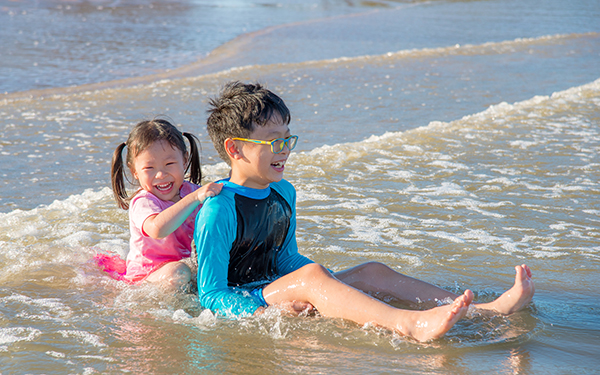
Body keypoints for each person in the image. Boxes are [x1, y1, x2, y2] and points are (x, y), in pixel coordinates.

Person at [194, 82, 534, 342]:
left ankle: (480, 310)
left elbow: (285, 260)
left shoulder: (283, 191)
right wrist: (268, 308)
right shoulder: (219, 209)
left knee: (372, 272)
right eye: (273, 141)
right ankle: (409, 324)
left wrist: (319, 279)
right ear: (235, 148)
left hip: (280, 288)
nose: (284, 150)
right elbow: (211, 294)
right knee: (313, 278)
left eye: (288, 138)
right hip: (252, 299)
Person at [109, 118, 222, 289]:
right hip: (147, 276)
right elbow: (157, 229)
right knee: (179, 273)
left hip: (182, 266)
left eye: (169, 164)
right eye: (149, 168)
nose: (161, 174)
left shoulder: (192, 191)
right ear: (135, 172)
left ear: (184, 160)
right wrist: (193, 199)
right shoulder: (144, 201)